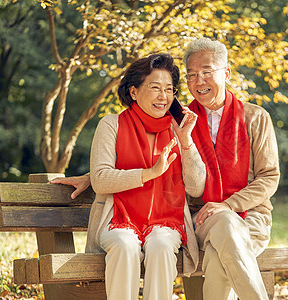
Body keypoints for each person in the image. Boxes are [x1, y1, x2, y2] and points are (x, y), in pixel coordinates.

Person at [52, 38, 280, 300]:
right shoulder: (182, 118)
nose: (199, 81)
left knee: (219, 258)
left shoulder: (254, 117)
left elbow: (269, 176)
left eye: (207, 72)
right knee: (221, 231)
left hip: (248, 215)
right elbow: (147, 150)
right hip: (201, 218)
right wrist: (93, 177)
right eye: (192, 75)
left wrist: (229, 204)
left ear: (225, 73)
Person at [53, 53, 206, 300]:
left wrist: (186, 141)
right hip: (118, 218)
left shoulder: (179, 131)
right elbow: (101, 178)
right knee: (125, 245)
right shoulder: (111, 125)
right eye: (155, 88)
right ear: (133, 92)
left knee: (162, 245)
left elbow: (197, 187)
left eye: (169, 89)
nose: (163, 96)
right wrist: (150, 173)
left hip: (166, 219)